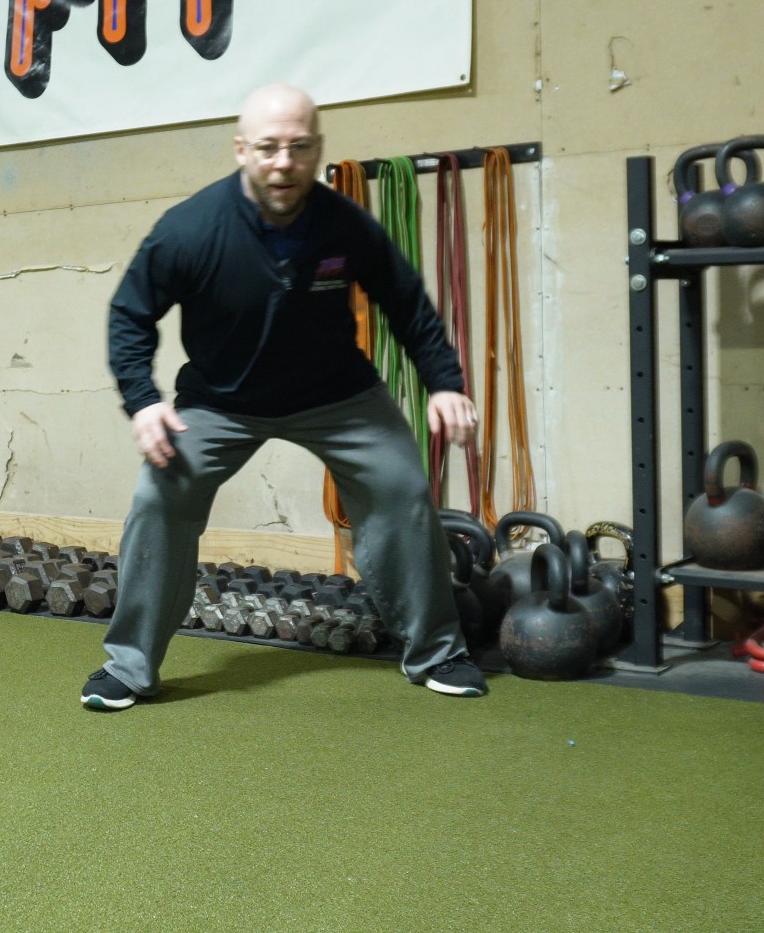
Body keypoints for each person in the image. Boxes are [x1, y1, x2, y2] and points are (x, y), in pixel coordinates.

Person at [82, 82, 485, 710]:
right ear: (242, 149)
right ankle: (129, 667)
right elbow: (130, 314)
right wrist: (143, 400)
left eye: (298, 148)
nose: (283, 163)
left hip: (338, 397)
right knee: (159, 498)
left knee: (401, 488)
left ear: (317, 149)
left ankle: (437, 652)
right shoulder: (190, 229)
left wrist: (445, 383)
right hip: (219, 402)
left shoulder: (343, 224)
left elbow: (406, 304)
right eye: (269, 147)